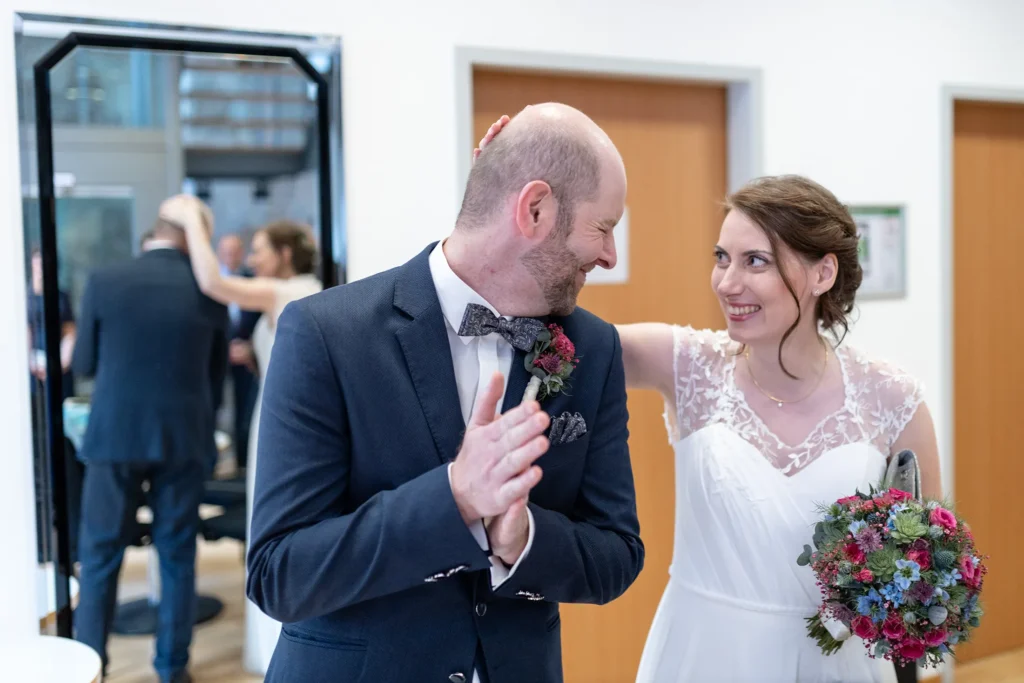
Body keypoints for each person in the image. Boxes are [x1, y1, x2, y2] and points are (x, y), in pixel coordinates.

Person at [477, 118, 941, 681]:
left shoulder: (893, 400)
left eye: (756, 262)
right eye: (722, 257)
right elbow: (541, 325)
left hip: (834, 664)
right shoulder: (688, 363)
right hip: (702, 652)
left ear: (822, 272)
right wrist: (500, 191)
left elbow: (924, 567)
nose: (726, 283)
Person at [243, 103, 644, 682]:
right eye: (603, 228)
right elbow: (279, 573)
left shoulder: (594, 347)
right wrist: (453, 499)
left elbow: (617, 554)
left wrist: (523, 539)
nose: (609, 255)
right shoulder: (327, 334)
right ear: (534, 209)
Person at [157, 197, 322, 675]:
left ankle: (276, 646)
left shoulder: (281, 292)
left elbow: (211, 282)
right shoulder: (302, 290)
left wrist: (190, 218)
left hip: (277, 426)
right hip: (278, 420)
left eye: (259, 251)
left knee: (271, 532)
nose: (251, 260)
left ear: (285, 255)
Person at [71, 211, 229, 683]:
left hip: (115, 434)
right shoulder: (210, 288)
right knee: (177, 555)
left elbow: (82, 364)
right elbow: (216, 377)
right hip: (184, 436)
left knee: (99, 556)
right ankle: (172, 669)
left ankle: (90, 667)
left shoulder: (105, 278)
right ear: (196, 234)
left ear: (157, 230)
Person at [215, 234, 261, 472]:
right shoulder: (208, 282)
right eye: (226, 251)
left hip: (245, 354)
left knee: (246, 409)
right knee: (216, 405)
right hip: (216, 355)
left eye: (235, 252)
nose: (231, 256)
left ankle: (243, 462)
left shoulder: (252, 281)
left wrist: (249, 347)